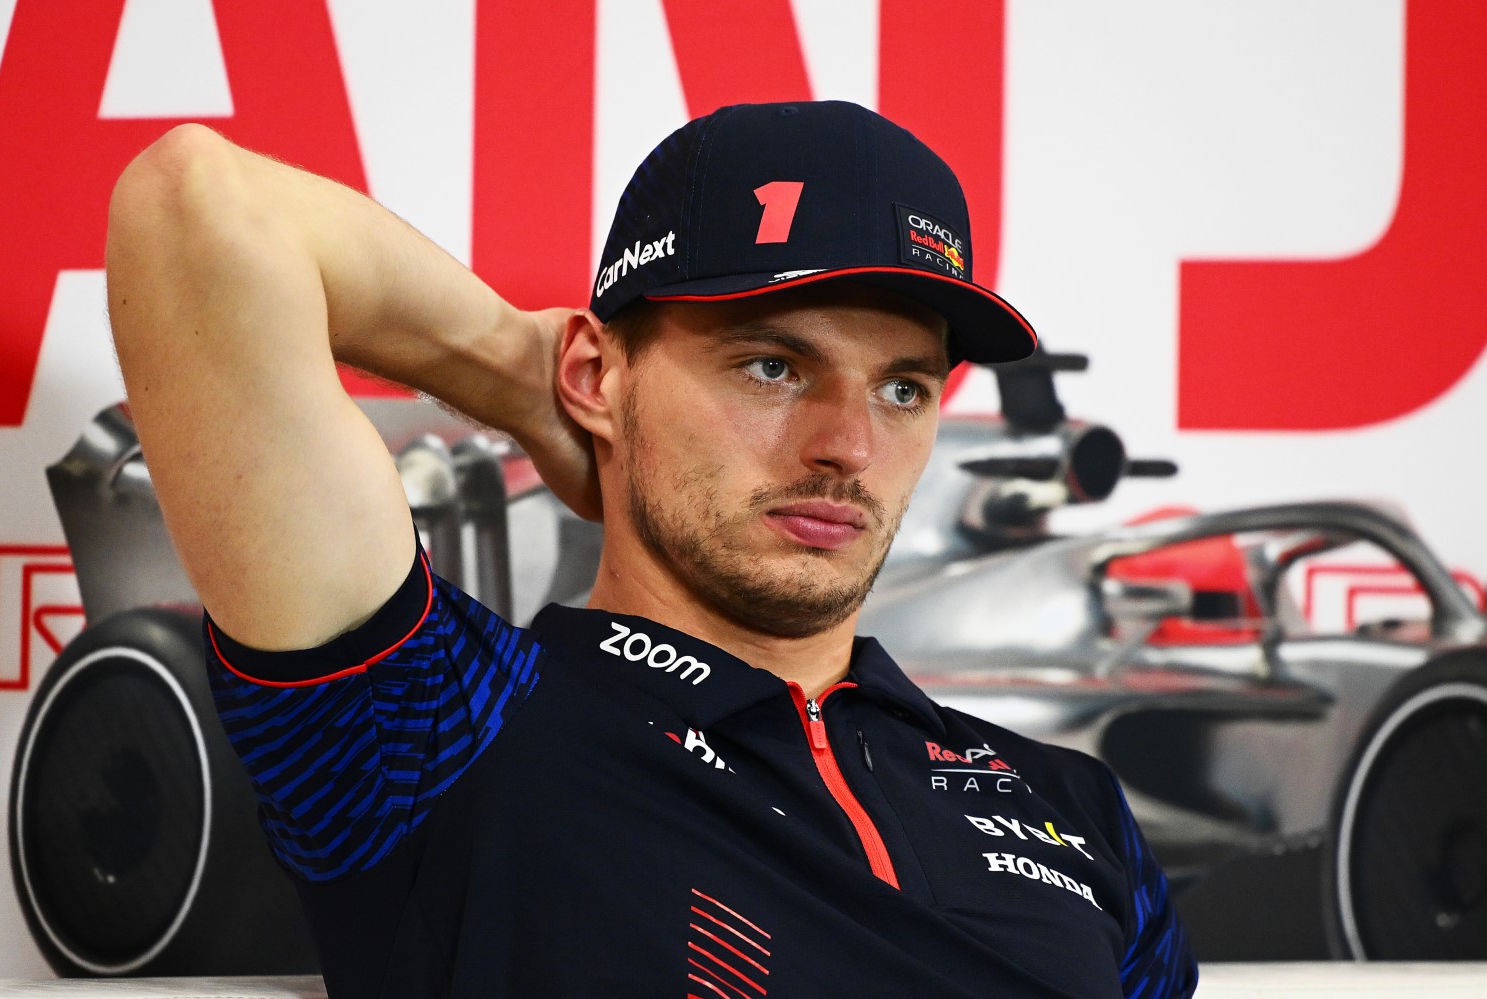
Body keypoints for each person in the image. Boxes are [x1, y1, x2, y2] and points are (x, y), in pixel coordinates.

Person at [106, 100, 1197, 998]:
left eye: (903, 388)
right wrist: (522, 381)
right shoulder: (440, 729)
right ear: (596, 373)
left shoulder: (1075, 809)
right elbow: (196, 209)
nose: (849, 448)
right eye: (772, 366)